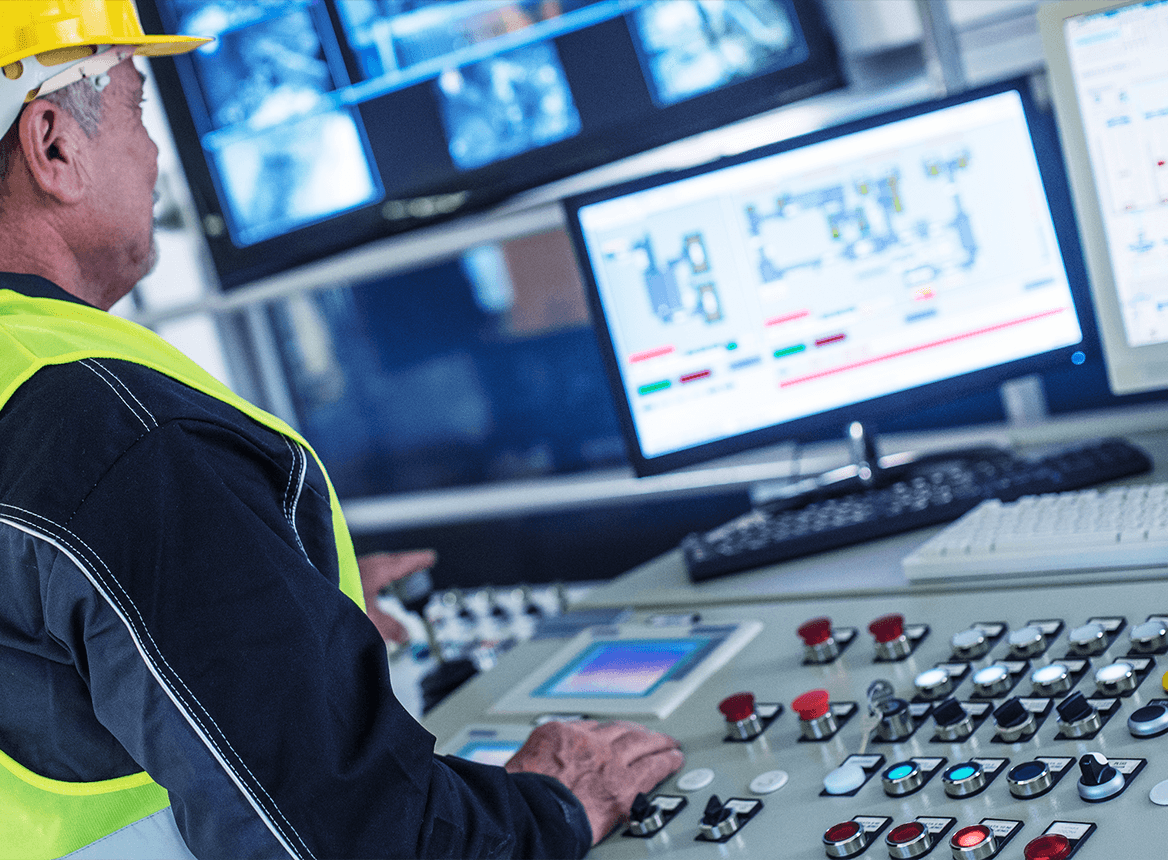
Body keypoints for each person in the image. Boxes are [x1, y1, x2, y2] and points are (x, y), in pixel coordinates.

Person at [0, 3, 683, 858]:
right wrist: (554, 807)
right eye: (139, 108)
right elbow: (360, 837)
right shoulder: (116, 432)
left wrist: (270, 601)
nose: (154, 156)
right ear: (53, 144)